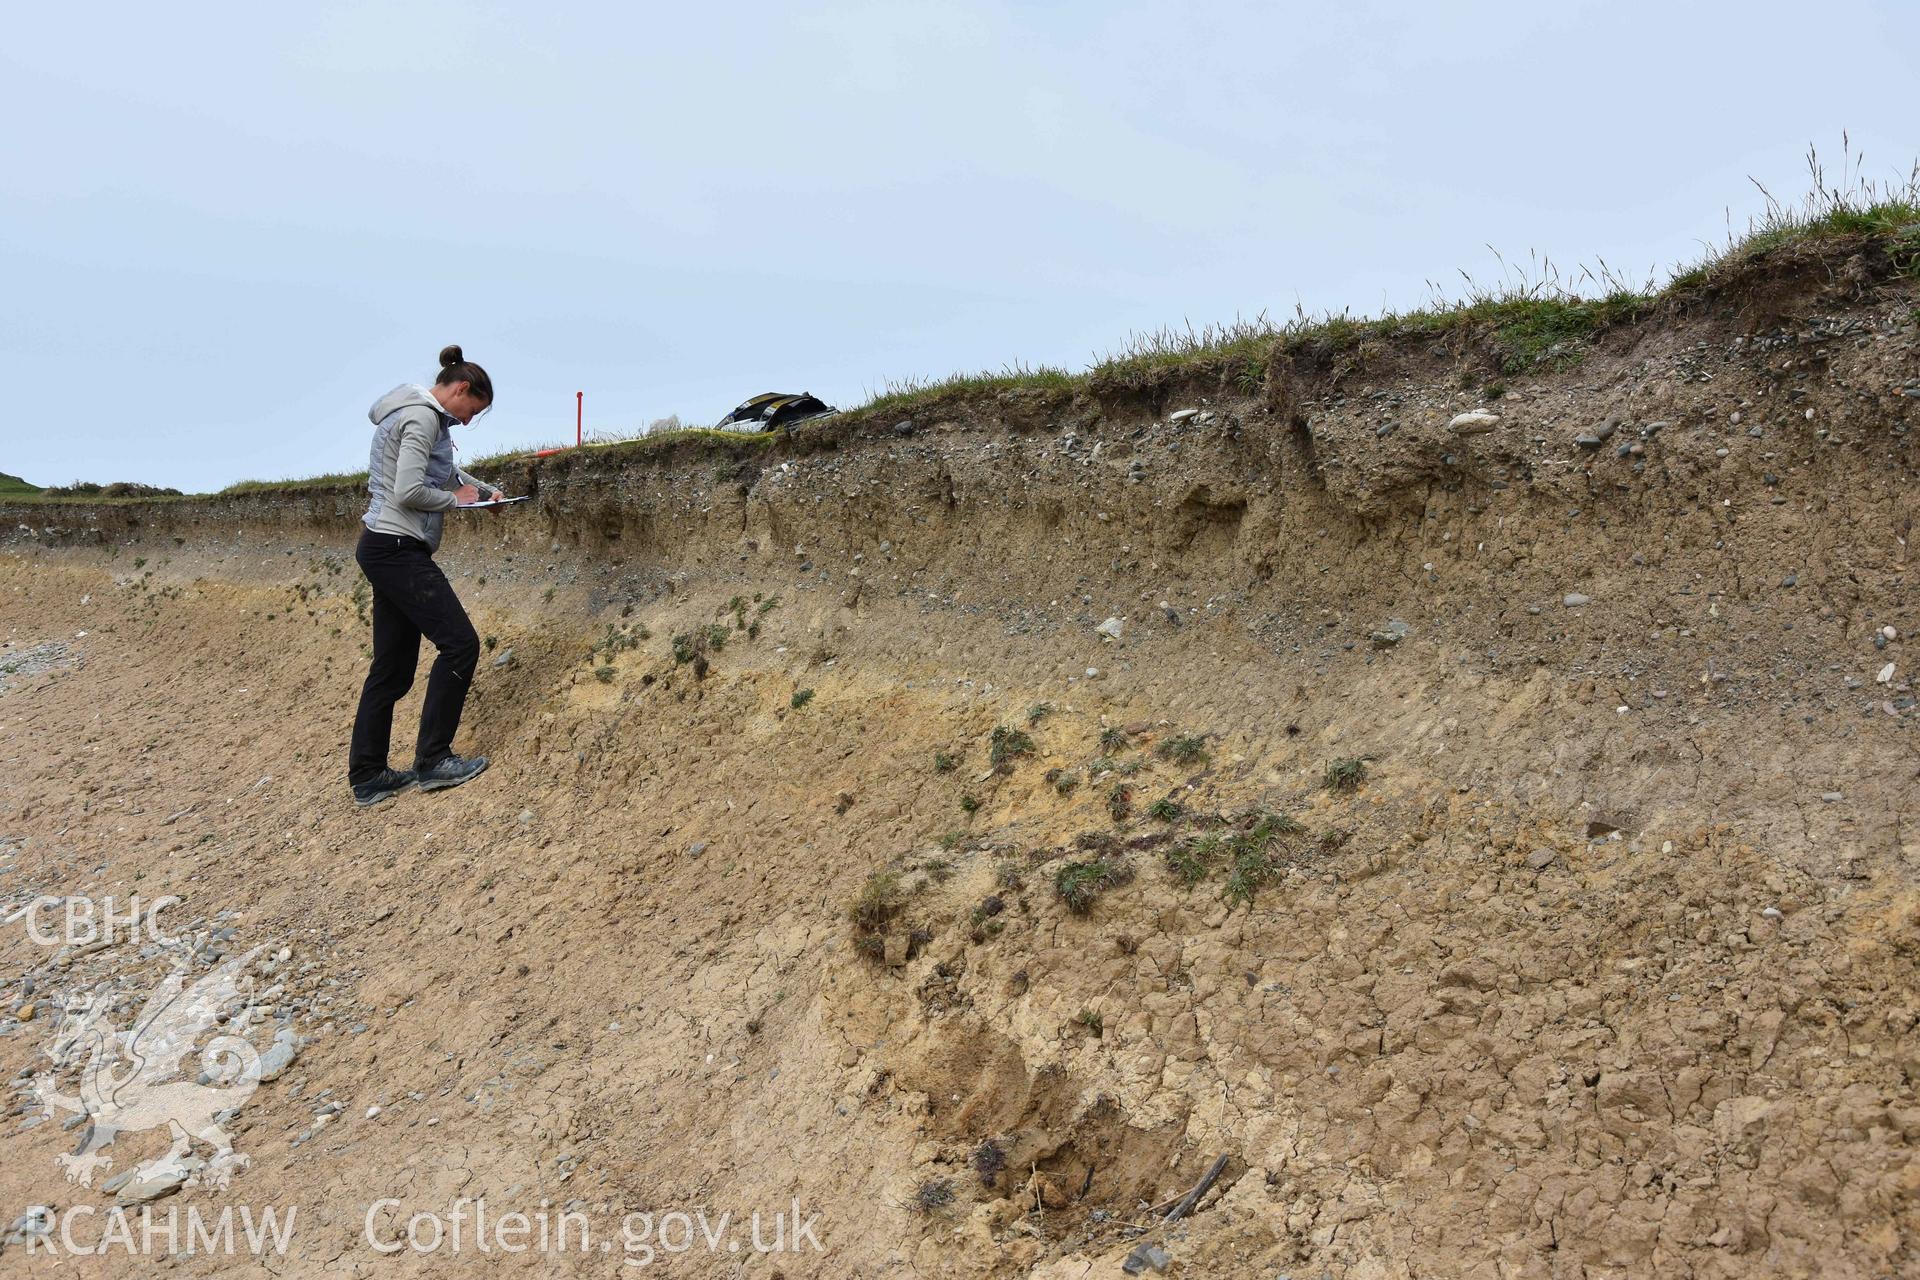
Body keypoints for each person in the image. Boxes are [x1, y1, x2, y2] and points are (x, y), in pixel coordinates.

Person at [347, 344, 505, 807]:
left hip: (381, 545)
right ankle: (434, 760)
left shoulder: (416, 414)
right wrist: (459, 501)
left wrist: (484, 491)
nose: (469, 421)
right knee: (460, 644)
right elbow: (410, 489)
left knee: (391, 669)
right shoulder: (422, 418)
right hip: (397, 548)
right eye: (472, 410)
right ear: (459, 389)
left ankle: (369, 775)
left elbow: (442, 470)